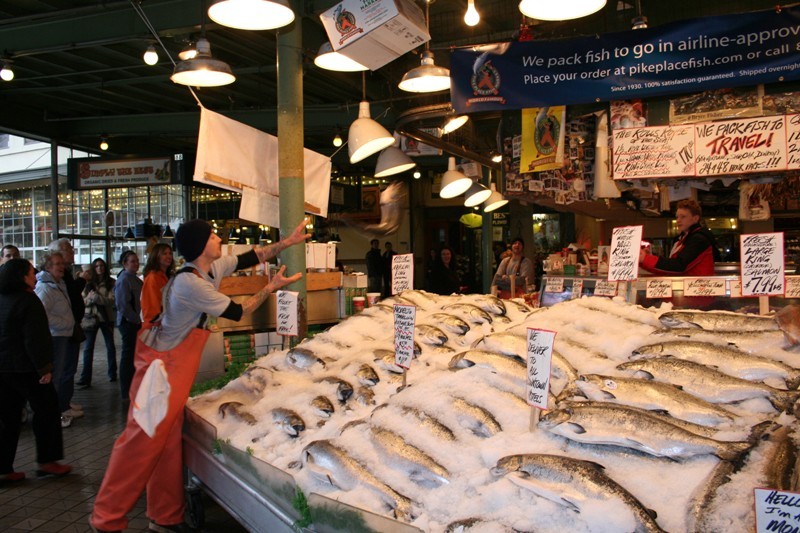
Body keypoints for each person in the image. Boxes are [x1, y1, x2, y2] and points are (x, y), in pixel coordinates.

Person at [90, 217, 310, 533]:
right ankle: (105, 519)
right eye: (212, 235)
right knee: (139, 445)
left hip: (175, 369)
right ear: (200, 245)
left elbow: (253, 257)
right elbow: (239, 312)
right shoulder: (189, 284)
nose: (218, 238)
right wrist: (271, 287)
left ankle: (165, 516)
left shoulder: (208, 269)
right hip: (159, 373)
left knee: (166, 444)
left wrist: (286, 243)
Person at [0, 259, 72, 480]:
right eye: (32, 273)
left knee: (7, 417)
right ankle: (47, 461)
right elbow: (36, 339)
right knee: (47, 410)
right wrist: (44, 368)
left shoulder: (3, 299)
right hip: (27, 367)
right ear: (22, 277)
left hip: (4, 368)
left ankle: (3, 468)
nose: (35, 275)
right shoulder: (28, 301)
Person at [34, 252, 82, 428]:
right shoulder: (45, 288)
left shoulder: (58, 284)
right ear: (48, 267)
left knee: (59, 375)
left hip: (62, 335)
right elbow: (42, 315)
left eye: (62, 263)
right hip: (55, 336)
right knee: (53, 378)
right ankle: (50, 414)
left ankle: (54, 411)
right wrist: (64, 323)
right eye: (57, 264)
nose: (62, 267)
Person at [49, 239, 86, 415]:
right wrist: (67, 323)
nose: (72, 252)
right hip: (60, 332)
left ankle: (65, 401)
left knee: (69, 367)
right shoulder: (48, 286)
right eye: (67, 250)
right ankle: (61, 407)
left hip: (69, 328)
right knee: (62, 369)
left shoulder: (64, 278)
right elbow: (46, 313)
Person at [639, 199, 721, 276]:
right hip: (689, 287)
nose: (678, 220)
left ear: (695, 218)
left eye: (683, 217)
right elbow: (669, 270)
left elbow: (679, 266)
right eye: (677, 217)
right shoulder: (682, 239)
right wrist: (644, 259)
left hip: (699, 288)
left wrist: (646, 259)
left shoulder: (699, 239)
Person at [77, 258, 117, 388]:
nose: (99, 268)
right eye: (96, 266)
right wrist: (89, 299)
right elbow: (83, 301)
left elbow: (111, 301)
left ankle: (112, 373)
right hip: (90, 317)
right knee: (88, 348)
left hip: (106, 318)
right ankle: (85, 377)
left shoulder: (111, 283)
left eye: (101, 266)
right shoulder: (88, 284)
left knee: (110, 346)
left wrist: (96, 298)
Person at [114, 250, 142, 403]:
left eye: (137, 260)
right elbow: (123, 305)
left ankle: (132, 388)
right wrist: (136, 319)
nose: (136, 263)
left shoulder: (134, 278)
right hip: (129, 323)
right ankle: (126, 391)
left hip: (134, 322)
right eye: (132, 261)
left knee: (132, 356)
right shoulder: (124, 279)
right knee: (128, 357)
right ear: (125, 263)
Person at [140, 243, 175, 329]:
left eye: (170, 253)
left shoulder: (167, 276)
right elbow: (151, 304)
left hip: (167, 321)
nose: (169, 256)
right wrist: (155, 324)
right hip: (157, 324)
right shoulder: (153, 277)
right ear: (156, 256)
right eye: (164, 253)